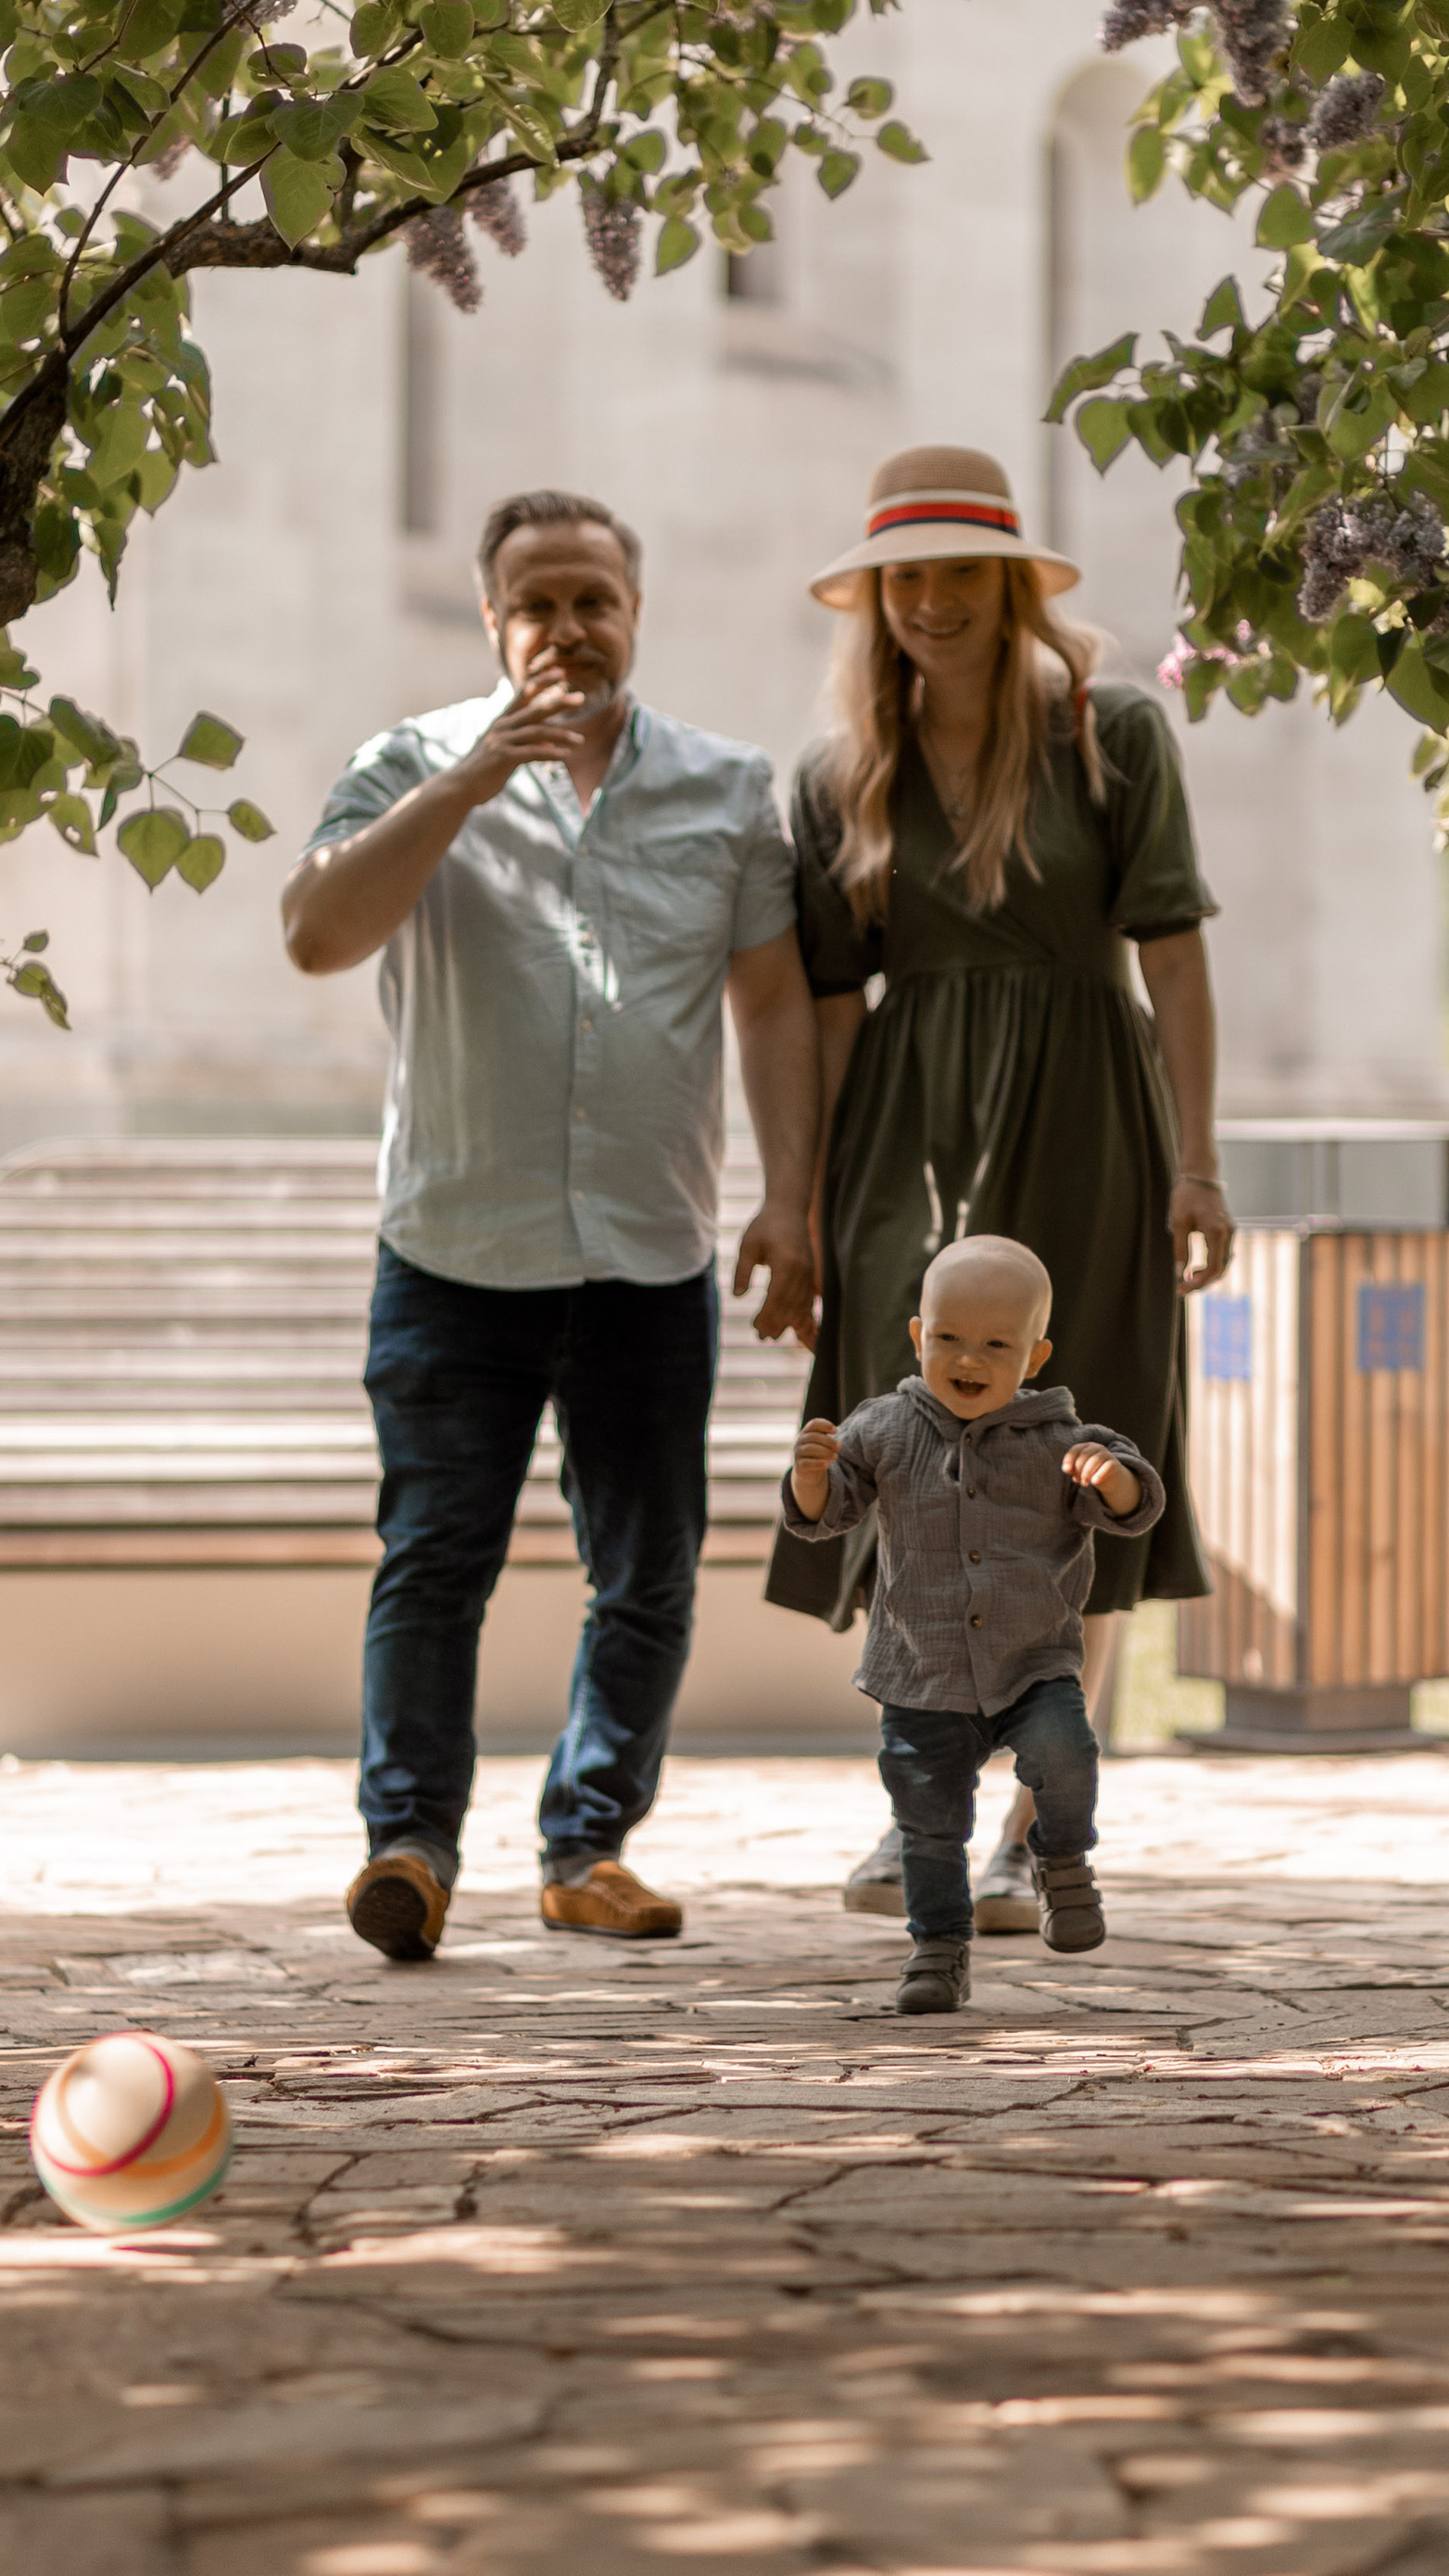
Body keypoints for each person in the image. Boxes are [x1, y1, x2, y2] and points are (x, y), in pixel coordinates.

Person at [283, 487, 820, 1962]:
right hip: (456, 1246)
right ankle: (410, 1848)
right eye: (539, 603)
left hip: (651, 1250)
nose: (570, 626)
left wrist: (794, 1195)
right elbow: (319, 932)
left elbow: (771, 998)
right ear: (492, 621)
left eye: (595, 598)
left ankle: (589, 1847)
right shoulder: (408, 764)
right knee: (435, 1558)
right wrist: (467, 782)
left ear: (634, 611)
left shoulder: (725, 785)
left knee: (647, 1568)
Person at [762, 444, 1235, 1931]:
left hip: (1094, 1114)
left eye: (962, 571)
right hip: (906, 1131)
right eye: (907, 575)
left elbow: (1173, 956)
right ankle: (924, 1803)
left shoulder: (1111, 738)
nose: (932, 602)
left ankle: (1041, 1821)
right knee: (908, 1456)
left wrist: (1201, 1158)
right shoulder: (841, 774)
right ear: (876, 594)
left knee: (1073, 1457)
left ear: (1015, 584)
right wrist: (809, 1204)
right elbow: (828, 1010)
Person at [784, 1233, 1164, 2014]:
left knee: (1067, 1755)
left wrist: (1118, 1482)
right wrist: (811, 1478)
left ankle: (1059, 1860)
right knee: (927, 1824)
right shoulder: (884, 1428)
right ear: (920, 1338)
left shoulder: (1064, 1440)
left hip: (1033, 1663)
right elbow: (826, 1517)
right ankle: (939, 1948)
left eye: (998, 1343)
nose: (970, 1357)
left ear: (1035, 1354)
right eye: (950, 1338)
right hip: (922, 1672)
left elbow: (1133, 1512)